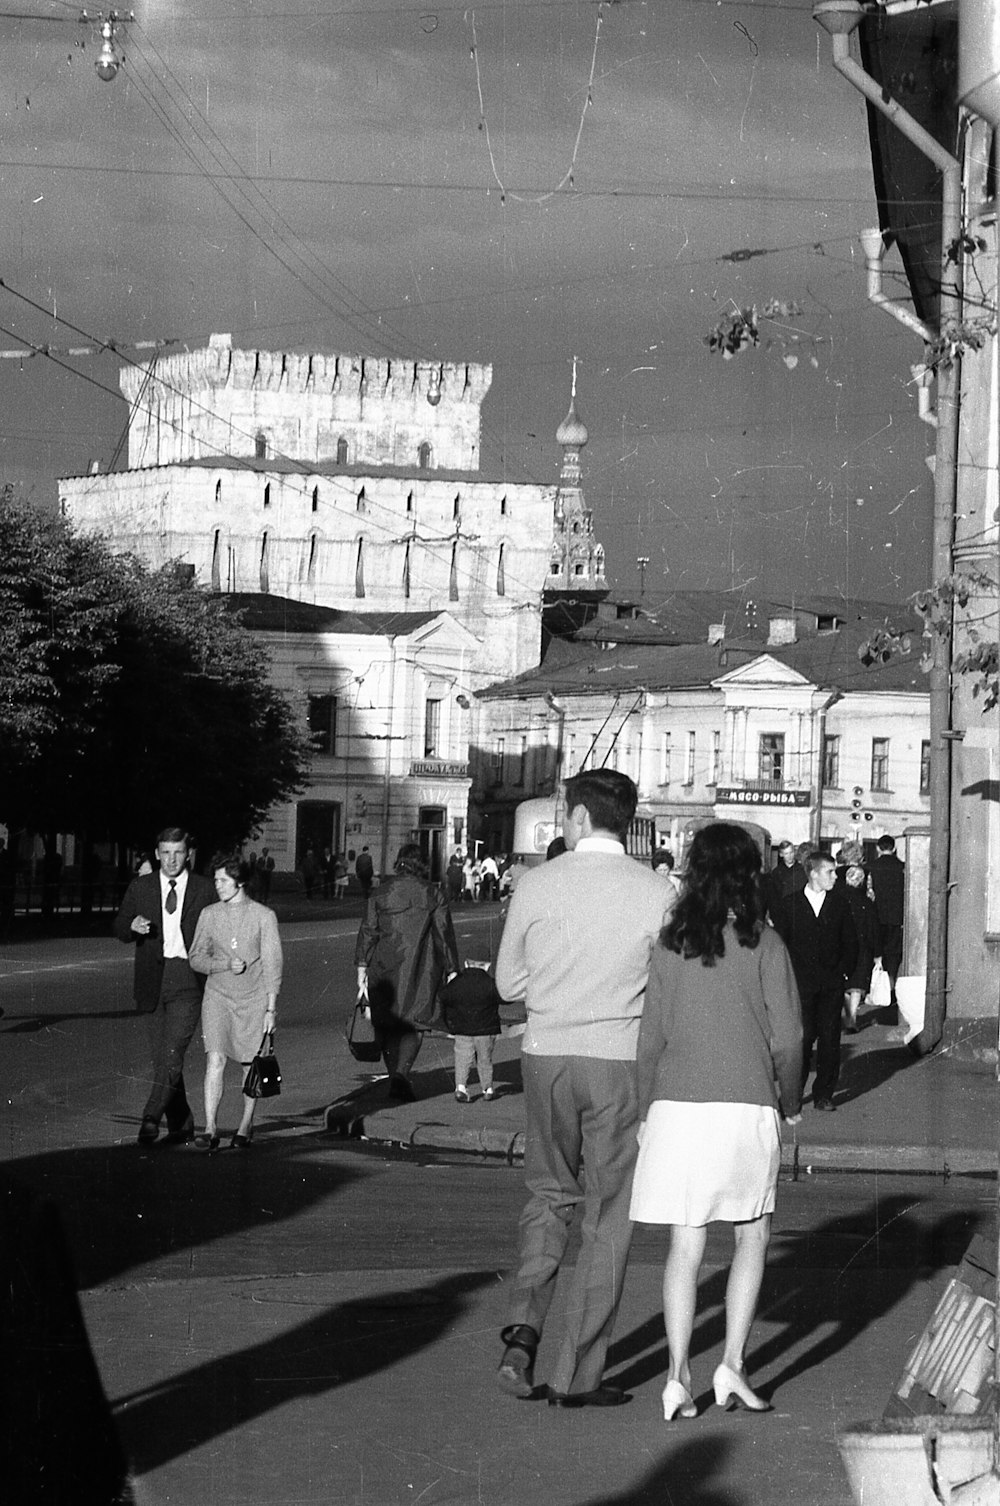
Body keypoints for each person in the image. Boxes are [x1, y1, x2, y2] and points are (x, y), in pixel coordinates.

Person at [494, 769, 675, 1409]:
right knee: (608, 1212)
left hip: (545, 1056)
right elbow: (667, 987)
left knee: (548, 1193)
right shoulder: (657, 891)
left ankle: (522, 1331)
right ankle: (577, 1375)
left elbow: (508, 985)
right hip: (618, 1062)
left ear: (574, 818)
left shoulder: (536, 884)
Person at [630, 822, 803, 1420]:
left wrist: (644, 1106)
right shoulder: (767, 945)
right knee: (751, 1232)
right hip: (746, 1103)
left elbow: (650, 1037)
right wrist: (792, 1103)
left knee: (686, 1241)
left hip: (676, 1105)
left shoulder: (669, 944)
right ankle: (731, 1362)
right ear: (749, 874)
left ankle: (677, 1375)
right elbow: (790, 1038)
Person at [112, 827, 216, 1145]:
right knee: (164, 1060)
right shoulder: (141, 887)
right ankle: (182, 1122)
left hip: (188, 980)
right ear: (157, 854)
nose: (172, 860)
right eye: (166, 853)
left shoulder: (204, 889)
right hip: (152, 980)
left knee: (172, 1054)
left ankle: (150, 1117)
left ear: (188, 854)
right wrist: (130, 926)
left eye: (178, 852)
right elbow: (118, 925)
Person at [188, 852, 283, 1150]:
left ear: (239, 882)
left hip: (253, 999)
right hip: (217, 996)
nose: (217, 886)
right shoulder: (209, 914)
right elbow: (195, 958)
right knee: (214, 1059)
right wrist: (222, 966)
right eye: (215, 880)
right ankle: (211, 1128)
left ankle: (245, 1125)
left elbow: (272, 964)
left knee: (248, 1064)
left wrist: (271, 1008)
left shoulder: (263, 916)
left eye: (223, 881)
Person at [355, 843, 460, 1102]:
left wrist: (361, 968)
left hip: (385, 966)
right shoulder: (433, 893)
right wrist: (452, 968)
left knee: (390, 1024)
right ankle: (402, 1074)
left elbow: (368, 931)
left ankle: (395, 1077)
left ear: (399, 862)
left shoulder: (381, 892)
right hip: (423, 967)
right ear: (421, 864)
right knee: (417, 1021)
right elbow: (443, 933)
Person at [772, 851, 857, 1113]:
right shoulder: (790, 905)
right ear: (813, 873)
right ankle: (793, 1096)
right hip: (801, 986)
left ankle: (823, 1095)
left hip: (831, 986)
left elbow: (851, 944)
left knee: (830, 1041)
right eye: (829, 871)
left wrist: (842, 973)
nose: (834, 876)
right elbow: (780, 945)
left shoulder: (840, 904)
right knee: (801, 1040)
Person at [440, 959, 502, 1102]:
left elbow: (444, 996)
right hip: (486, 1028)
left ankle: (461, 1087)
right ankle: (488, 1088)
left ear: (466, 964)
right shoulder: (490, 983)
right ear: (487, 965)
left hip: (462, 1028)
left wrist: (450, 981)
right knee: (484, 1058)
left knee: (462, 1057)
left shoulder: (458, 983)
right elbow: (505, 998)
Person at [842, 864, 879, 1032]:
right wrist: (877, 953)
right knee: (857, 984)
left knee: (843, 983)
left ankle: (847, 1014)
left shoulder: (838, 899)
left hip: (843, 945)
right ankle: (852, 1019)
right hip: (862, 947)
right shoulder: (867, 902)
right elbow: (873, 928)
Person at [868, 835, 905, 1002]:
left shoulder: (871, 867)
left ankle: (876, 989)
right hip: (897, 917)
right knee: (894, 954)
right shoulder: (903, 867)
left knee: (877, 952)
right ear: (894, 848)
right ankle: (891, 985)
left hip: (877, 915)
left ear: (877, 848)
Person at [763, 839, 804, 920]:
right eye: (786, 853)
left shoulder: (802, 870)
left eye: (791, 852)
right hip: (783, 914)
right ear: (781, 854)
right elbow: (773, 898)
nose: (789, 856)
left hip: (799, 913)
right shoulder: (776, 873)